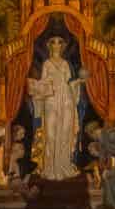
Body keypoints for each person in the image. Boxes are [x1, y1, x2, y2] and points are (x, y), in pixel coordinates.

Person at [26, 34, 88, 180]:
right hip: (51, 99)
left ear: (62, 47)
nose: (57, 46)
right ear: (50, 46)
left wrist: (79, 80)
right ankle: (49, 168)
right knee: (51, 133)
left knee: (66, 131)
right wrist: (38, 86)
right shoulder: (47, 63)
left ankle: (64, 165)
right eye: (54, 43)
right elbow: (42, 83)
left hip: (66, 98)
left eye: (59, 43)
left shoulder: (66, 63)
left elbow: (69, 84)